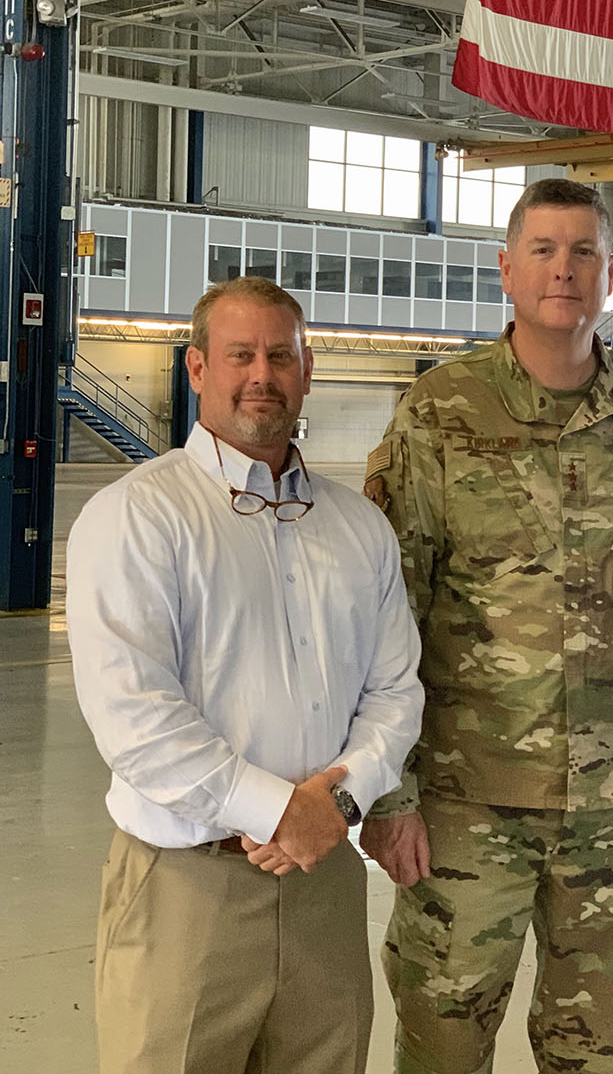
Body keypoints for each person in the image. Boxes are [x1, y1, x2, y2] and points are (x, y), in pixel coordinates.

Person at [361, 178, 613, 1074]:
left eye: (584, 251)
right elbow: (385, 609)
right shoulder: (441, 410)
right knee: (442, 1043)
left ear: (611, 272)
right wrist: (389, 798)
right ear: (506, 270)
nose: (564, 270)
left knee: (596, 1052)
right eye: (543, 251)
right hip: (465, 802)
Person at [67, 276, 424, 1074]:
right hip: (189, 884)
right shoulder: (138, 517)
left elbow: (396, 692)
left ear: (307, 370)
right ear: (197, 368)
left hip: (326, 882)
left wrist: (332, 802)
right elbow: (136, 719)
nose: (260, 374)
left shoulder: (358, 528)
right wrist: (273, 809)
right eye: (239, 355)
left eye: (280, 355)